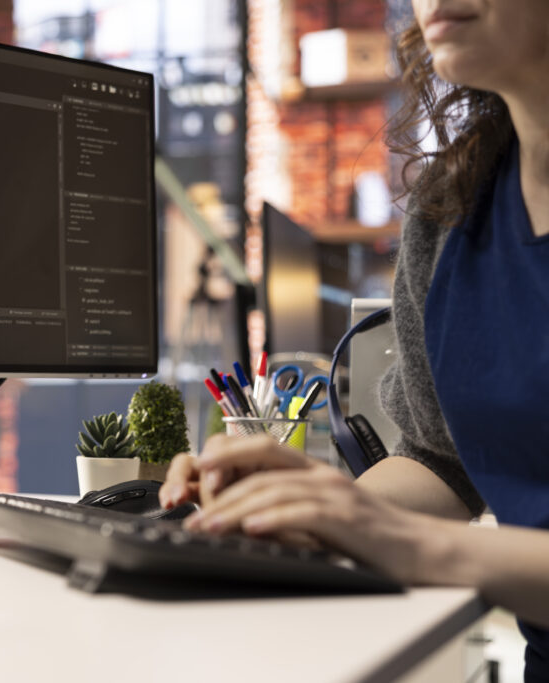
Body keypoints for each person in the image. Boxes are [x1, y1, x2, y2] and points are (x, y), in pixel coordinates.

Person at [159, 1, 549, 679]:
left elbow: (427, 532)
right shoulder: (455, 206)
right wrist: (312, 501)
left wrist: (415, 545)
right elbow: (438, 460)